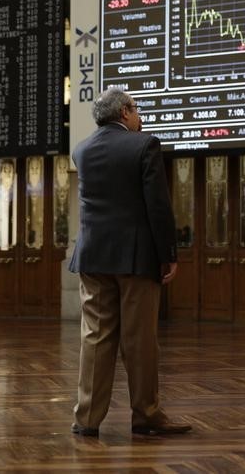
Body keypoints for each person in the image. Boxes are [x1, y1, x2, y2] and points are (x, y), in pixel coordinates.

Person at [69, 87, 192, 437]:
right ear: (124, 112)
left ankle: (87, 419)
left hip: (92, 256)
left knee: (94, 337)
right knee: (139, 340)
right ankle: (146, 415)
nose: (140, 117)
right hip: (136, 258)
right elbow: (158, 206)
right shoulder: (144, 145)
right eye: (136, 110)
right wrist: (168, 254)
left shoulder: (82, 150)